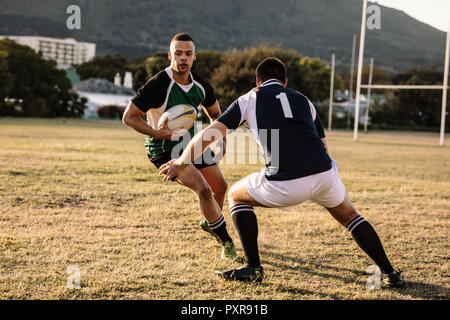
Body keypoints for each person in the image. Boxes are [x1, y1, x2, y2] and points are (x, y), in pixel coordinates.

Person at [159, 57, 404, 287]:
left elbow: (209, 134)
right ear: (285, 82)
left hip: (286, 182)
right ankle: (390, 273)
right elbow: (323, 144)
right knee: (350, 216)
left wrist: (181, 162)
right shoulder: (304, 100)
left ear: (257, 81)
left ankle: (253, 268)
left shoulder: (250, 98)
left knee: (235, 195)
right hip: (325, 174)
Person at [122, 33, 237, 260]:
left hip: (191, 146)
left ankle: (211, 221)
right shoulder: (157, 85)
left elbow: (215, 114)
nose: (183, 58)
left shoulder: (200, 85)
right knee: (203, 189)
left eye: (188, 54)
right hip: (164, 150)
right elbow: (129, 117)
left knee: (220, 187)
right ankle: (226, 241)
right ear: (170, 55)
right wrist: (157, 133)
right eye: (178, 53)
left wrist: (221, 137)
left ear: (194, 57)